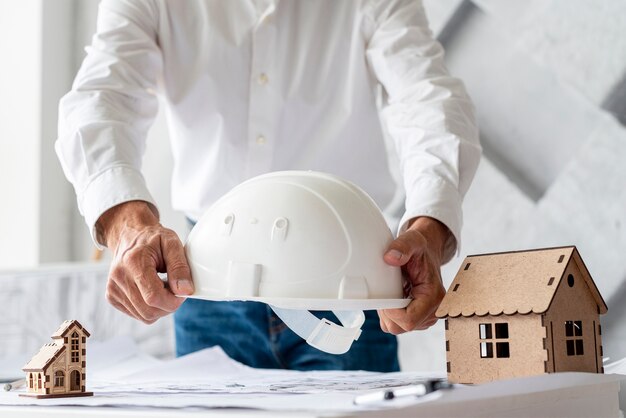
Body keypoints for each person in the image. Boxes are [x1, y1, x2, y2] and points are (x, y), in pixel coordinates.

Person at [56, 0, 481, 372]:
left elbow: (428, 101)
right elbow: (101, 100)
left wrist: (429, 228)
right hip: (208, 283)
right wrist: (128, 226)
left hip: (347, 281)